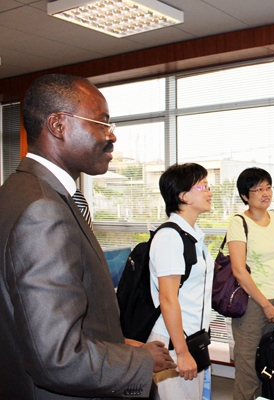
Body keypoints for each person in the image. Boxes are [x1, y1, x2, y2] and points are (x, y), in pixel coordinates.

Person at [0, 74, 176, 400]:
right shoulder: (42, 210)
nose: (112, 137)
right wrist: (138, 360)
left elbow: (41, 319)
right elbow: (57, 357)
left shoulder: (20, 191)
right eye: (101, 124)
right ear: (58, 125)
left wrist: (116, 344)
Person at [148, 163, 215, 399]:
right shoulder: (170, 237)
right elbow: (168, 299)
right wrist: (182, 351)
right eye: (203, 186)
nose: (210, 192)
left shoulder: (193, 235)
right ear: (183, 195)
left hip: (191, 337)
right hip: (174, 341)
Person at [227, 167, 274, 400]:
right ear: (245, 195)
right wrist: (265, 305)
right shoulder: (239, 223)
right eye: (258, 189)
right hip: (252, 305)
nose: (266, 193)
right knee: (248, 373)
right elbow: (238, 271)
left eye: (268, 187)